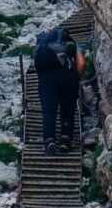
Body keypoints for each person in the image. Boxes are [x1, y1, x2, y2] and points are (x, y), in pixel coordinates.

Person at [33, 25, 86, 156]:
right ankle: (65, 141)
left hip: (45, 79)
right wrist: (75, 78)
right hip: (67, 76)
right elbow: (81, 64)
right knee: (67, 110)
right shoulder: (72, 44)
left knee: (48, 111)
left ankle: (49, 141)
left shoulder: (43, 44)